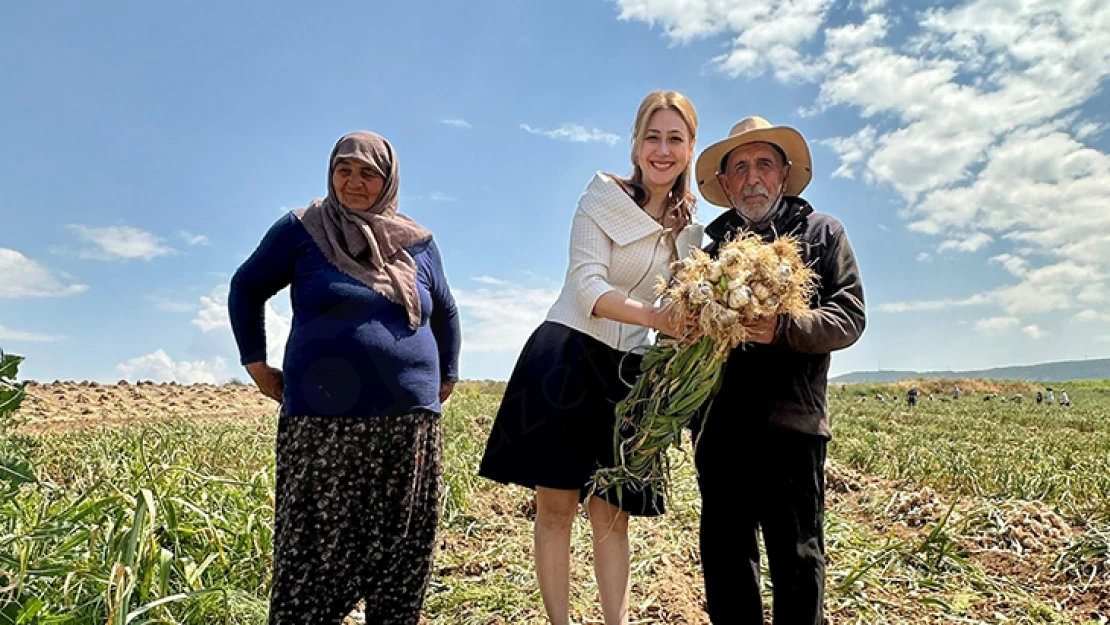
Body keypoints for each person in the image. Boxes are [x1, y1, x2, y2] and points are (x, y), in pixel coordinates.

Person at [478, 91, 703, 625]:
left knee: (612, 515)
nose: (663, 150)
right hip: (569, 357)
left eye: (675, 138)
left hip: (628, 376)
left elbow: (688, 305)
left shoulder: (692, 231)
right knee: (557, 508)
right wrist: (659, 318)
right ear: (635, 144)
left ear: (691, 147)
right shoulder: (602, 197)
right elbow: (587, 287)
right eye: (653, 136)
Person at [228, 131, 461, 625]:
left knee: (401, 554)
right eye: (344, 169)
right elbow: (246, 287)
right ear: (331, 174)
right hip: (321, 422)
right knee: (312, 556)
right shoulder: (303, 229)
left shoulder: (418, 244)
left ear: (388, 179)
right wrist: (255, 364)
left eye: (368, 172)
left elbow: (446, 312)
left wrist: (446, 375)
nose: (354, 181)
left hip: (409, 425)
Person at [690, 116, 866, 624]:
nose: (752, 178)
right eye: (739, 167)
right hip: (721, 433)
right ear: (724, 184)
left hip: (793, 428)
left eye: (763, 164)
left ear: (784, 174)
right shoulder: (708, 256)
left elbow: (849, 316)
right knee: (726, 560)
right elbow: (681, 330)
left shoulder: (821, 234)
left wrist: (783, 327)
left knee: (799, 559)